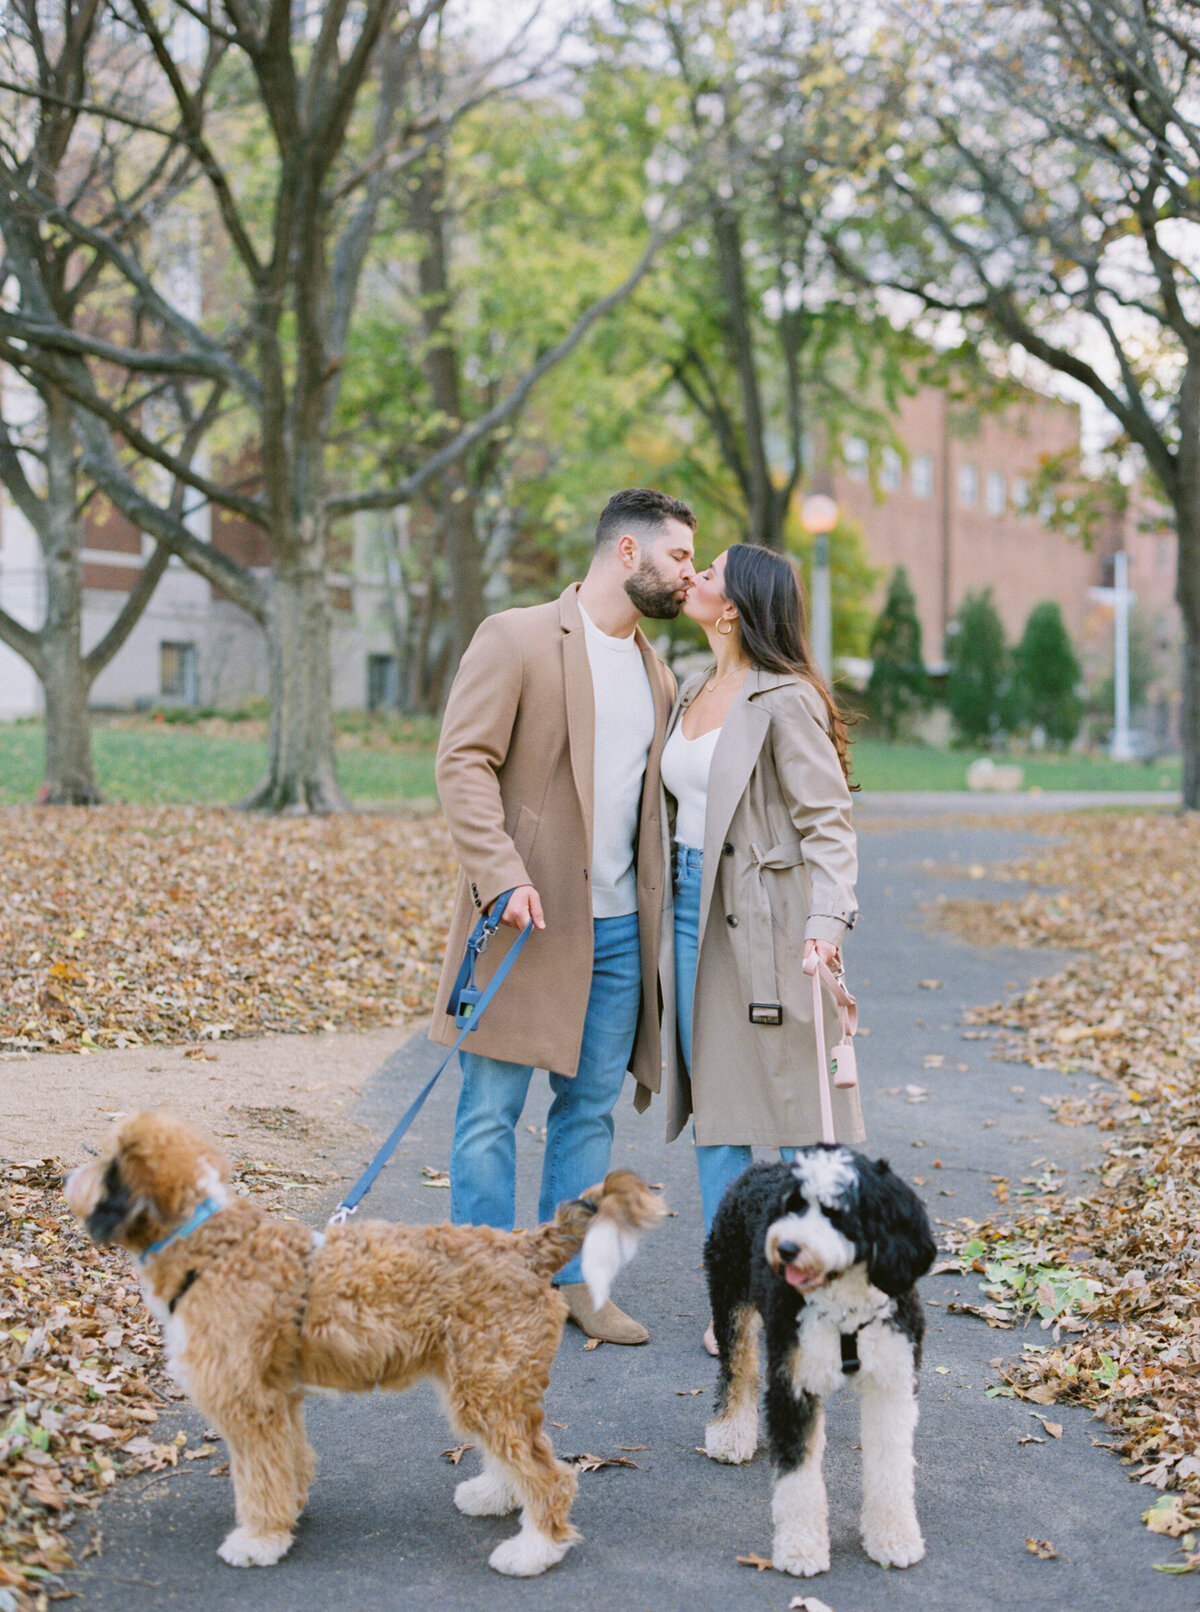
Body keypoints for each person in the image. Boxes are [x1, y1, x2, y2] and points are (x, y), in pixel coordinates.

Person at [429, 488, 697, 1344]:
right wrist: (501, 877)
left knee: (588, 1115)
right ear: (628, 553)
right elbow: (462, 761)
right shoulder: (515, 638)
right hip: (527, 921)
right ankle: (480, 1288)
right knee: (488, 1113)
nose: (689, 574)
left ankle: (573, 1284)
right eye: (681, 557)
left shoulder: (659, 670)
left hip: (621, 934)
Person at [658, 542, 863, 1353]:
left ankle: (829, 1285)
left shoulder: (783, 698)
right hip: (688, 913)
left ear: (735, 605)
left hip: (775, 923)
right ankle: (737, 1298)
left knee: (807, 1113)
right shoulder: (691, 689)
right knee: (721, 1114)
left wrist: (826, 926)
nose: (693, 579)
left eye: (707, 572)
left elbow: (829, 822)